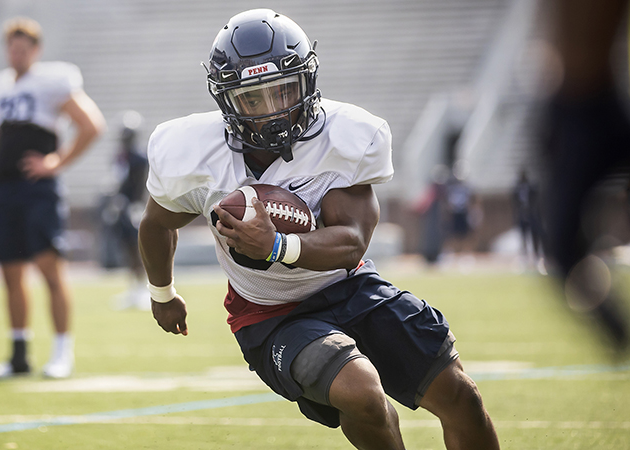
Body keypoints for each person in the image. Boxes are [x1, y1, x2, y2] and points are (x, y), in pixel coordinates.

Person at [139, 9, 499, 450]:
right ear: (227, 101)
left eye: (282, 91)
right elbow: (157, 224)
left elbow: (351, 244)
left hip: (349, 287)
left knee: (461, 396)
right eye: (253, 99)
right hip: (271, 313)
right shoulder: (195, 153)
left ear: (306, 82)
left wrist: (275, 244)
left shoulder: (344, 135)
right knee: (363, 393)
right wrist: (162, 293)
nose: (272, 112)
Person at [0, 17, 105, 379]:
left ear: (36, 50)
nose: (17, 54)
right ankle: (18, 354)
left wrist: (55, 161)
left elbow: (91, 124)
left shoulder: (52, 81)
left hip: (37, 190)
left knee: (50, 268)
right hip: (3, 192)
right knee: (10, 273)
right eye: (12, 48)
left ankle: (62, 351)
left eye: (24, 48)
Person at [537, 0, 630, 351]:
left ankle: (616, 329)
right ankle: (615, 328)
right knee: (561, 246)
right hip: (578, 110)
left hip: (590, 105)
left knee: (562, 247)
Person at [103, 111, 149, 310]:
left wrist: (134, 205)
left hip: (135, 206)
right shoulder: (120, 157)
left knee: (140, 249)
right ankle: (135, 288)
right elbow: (116, 182)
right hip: (122, 206)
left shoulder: (138, 158)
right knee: (127, 249)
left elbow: (139, 185)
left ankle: (146, 289)